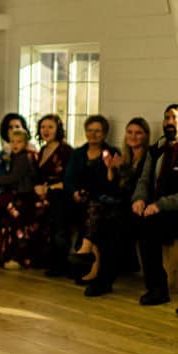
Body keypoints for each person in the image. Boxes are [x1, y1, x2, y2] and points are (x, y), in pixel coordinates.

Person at [130, 104, 178, 306]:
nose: (168, 122)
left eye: (174, 118)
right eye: (166, 117)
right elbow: (143, 181)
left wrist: (160, 205)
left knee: (149, 228)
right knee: (117, 220)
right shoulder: (157, 148)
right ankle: (104, 279)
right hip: (155, 208)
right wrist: (139, 199)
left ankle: (158, 289)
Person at [82, 117, 151, 297]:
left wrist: (123, 172)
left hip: (138, 207)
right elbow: (114, 189)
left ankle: (103, 277)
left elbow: (137, 189)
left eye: (138, 133)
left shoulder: (148, 157)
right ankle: (100, 273)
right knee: (104, 218)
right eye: (130, 132)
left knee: (113, 223)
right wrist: (112, 170)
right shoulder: (124, 156)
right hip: (122, 205)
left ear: (145, 136)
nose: (133, 136)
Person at [63, 115, 120, 283]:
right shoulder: (78, 153)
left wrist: (110, 169)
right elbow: (68, 179)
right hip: (79, 198)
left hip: (101, 199)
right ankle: (87, 266)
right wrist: (74, 192)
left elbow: (112, 184)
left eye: (97, 131)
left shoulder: (112, 152)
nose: (93, 134)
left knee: (94, 214)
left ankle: (87, 263)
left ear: (104, 133)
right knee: (86, 215)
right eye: (90, 130)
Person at [0, 128, 38, 269]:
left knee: (17, 226)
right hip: (16, 194)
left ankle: (17, 257)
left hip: (23, 195)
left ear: (25, 144)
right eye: (12, 142)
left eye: (19, 142)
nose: (15, 145)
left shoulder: (23, 158)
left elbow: (15, 177)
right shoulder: (14, 156)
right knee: (7, 224)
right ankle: (2, 255)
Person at [32, 114, 74, 274]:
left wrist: (48, 189)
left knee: (57, 217)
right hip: (42, 193)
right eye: (43, 127)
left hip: (60, 193)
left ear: (58, 130)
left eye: (50, 127)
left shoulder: (66, 150)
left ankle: (58, 263)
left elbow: (68, 178)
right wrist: (38, 187)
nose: (46, 130)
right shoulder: (42, 149)